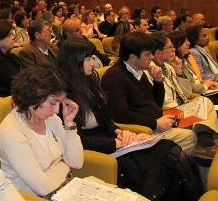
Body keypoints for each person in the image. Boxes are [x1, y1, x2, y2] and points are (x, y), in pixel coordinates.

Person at [57, 38, 202, 200]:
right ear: (74, 62)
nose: (93, 63)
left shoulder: (88, 82)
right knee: (160, 159)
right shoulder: (64, 96)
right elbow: (77, 140)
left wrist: (120, 132)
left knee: (168, 149)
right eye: (88, 59)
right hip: (99, 149)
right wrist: (115, 142)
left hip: (113, 141)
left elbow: (105, 121)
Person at [0, 65, 84, 197]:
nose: (57, 111)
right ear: (33, 97)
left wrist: (69, 124)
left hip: (63, 189)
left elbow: (76, 162)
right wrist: (64, 165)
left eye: (60, 103)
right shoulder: (12, 132)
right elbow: (43, 188)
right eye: (53, 102)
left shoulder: (51, 119)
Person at [101, 32, 196, 154]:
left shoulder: (139, 71)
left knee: (198, 120)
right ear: (133, 57)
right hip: (144, 130)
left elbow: (156, 103)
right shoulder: (114, 77)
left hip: (158, 121)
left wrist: (158, 82)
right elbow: (121, 115)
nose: (152, 57)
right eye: (147, 54)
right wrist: (155, 123)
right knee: (190, 136)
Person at [152, 31, 218, 162]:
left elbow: (185, 94)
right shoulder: (151, 71)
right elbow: (163, 101)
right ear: (159, 52)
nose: (174, 50)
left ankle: (204, 139)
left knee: (204, 101)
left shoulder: (168, 67)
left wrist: (179, 72)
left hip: (181, 107)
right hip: (169, 113)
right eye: (170, 47)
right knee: (209, 113)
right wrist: (184, 111)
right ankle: (205, 141)